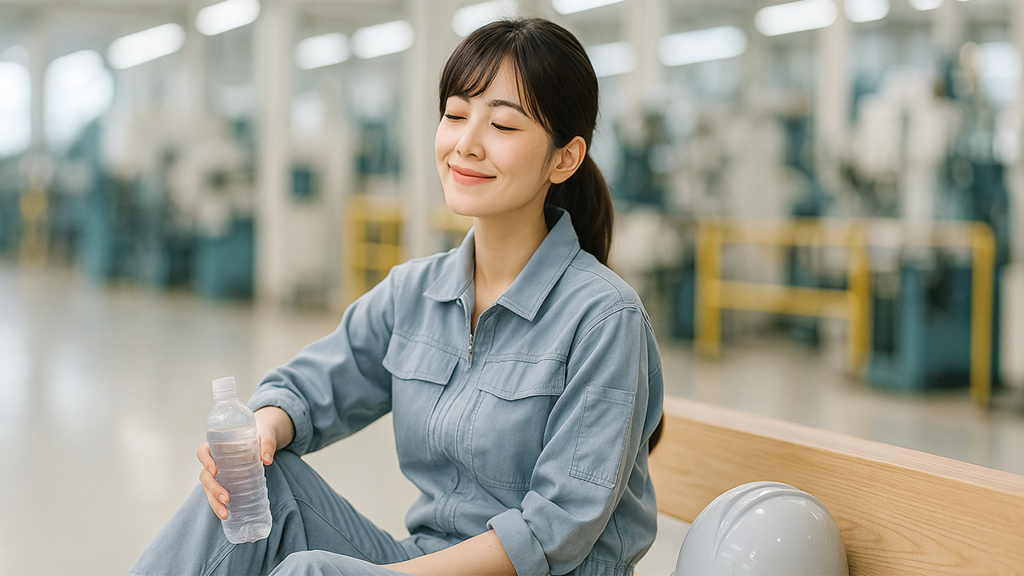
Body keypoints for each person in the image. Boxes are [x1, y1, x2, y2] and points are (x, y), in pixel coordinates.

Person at [127, 17, 663, 576]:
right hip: (426, 560)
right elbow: (308, 387)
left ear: (564, 157)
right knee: (255, 482)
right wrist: (259, 432)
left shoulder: (604, 318)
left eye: (502, 125)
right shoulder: (416, 293)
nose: (466, 144)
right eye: (455, 115)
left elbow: (554, 532)